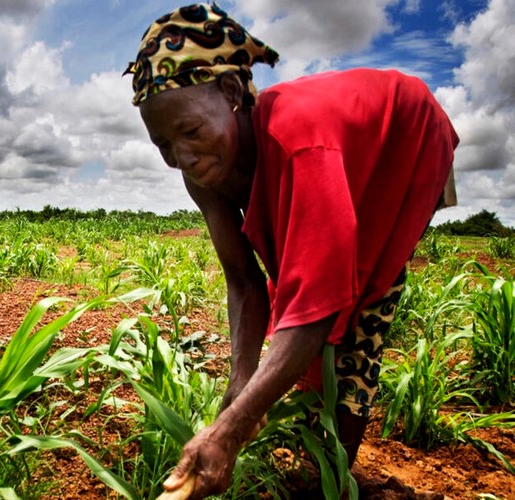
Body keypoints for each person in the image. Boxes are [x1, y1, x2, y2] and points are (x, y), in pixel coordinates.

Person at [124, 3, 459, 499]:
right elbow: (243, 279)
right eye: (163, 145)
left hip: (403, 142)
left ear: (232, 94)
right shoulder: (204, 173)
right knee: (302, 288)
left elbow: (317, 305)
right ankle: (313, 422)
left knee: (356, 299)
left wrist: (230, 429)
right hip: (333, 157)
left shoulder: (300, 141)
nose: (183, 158)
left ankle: (332, 475)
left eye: (190, 132)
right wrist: (240, 385)